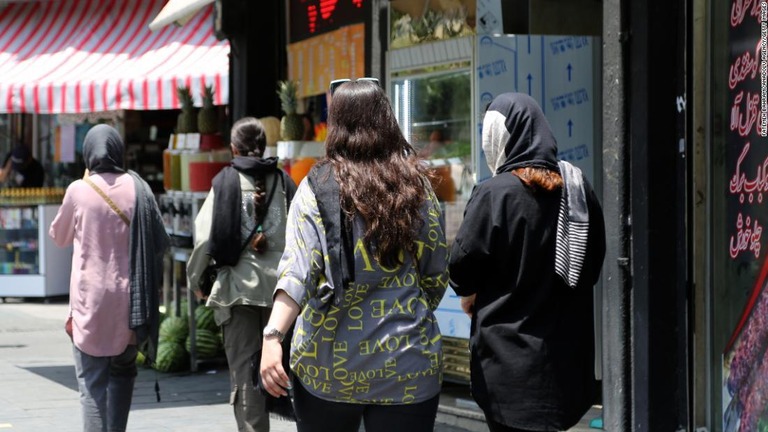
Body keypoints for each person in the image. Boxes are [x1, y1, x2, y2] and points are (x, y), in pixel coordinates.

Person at [259, 79, 449, 432]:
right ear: (387, 118)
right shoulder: (417, 186)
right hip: (407, 361)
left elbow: (297, 272)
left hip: (328, 368)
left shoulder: (315, 187)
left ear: (336, 122)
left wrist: (273, 337)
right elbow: (436, 273)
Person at [448, 93, 606, 432]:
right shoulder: (579, 189)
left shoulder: (494, 194)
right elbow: (592, 265)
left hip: (507, 369)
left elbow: (461, 268)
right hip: (565, 364)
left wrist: (470, 293)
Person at [48, 124, 169, 432]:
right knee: (123, 373)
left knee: (91, 383)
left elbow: (58, 237)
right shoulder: (137, 187)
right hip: (131, 304)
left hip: (90, 304)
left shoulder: (78, 190)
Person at [186, 116, 296, 432]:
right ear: (264, 146)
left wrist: (197, 282)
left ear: (233, 147)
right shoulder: (284, 182)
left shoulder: (225, 182)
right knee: (283, 371)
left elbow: (205, 239)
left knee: (246, 378)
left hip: (239, 291)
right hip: (284, 296)